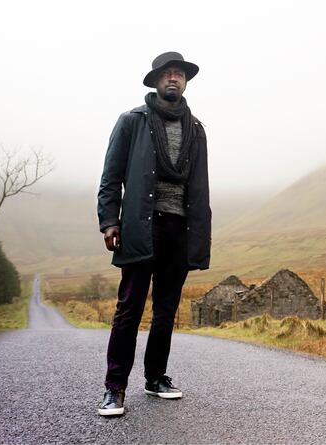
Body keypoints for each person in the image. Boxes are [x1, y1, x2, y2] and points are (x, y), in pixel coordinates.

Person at [96, 52, 211, 417]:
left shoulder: (196, 129)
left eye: (179, 74)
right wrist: (108, 221)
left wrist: (200, 235)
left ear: (185, 82)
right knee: (129, 309)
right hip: (141, 226)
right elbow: (111, 175)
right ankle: (114, 388)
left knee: (166, 310)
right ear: (156, 81)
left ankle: (155, 377)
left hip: (181, 227)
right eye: (167, 74)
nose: (174, 79)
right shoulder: (132, 122)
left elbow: (200, 187)